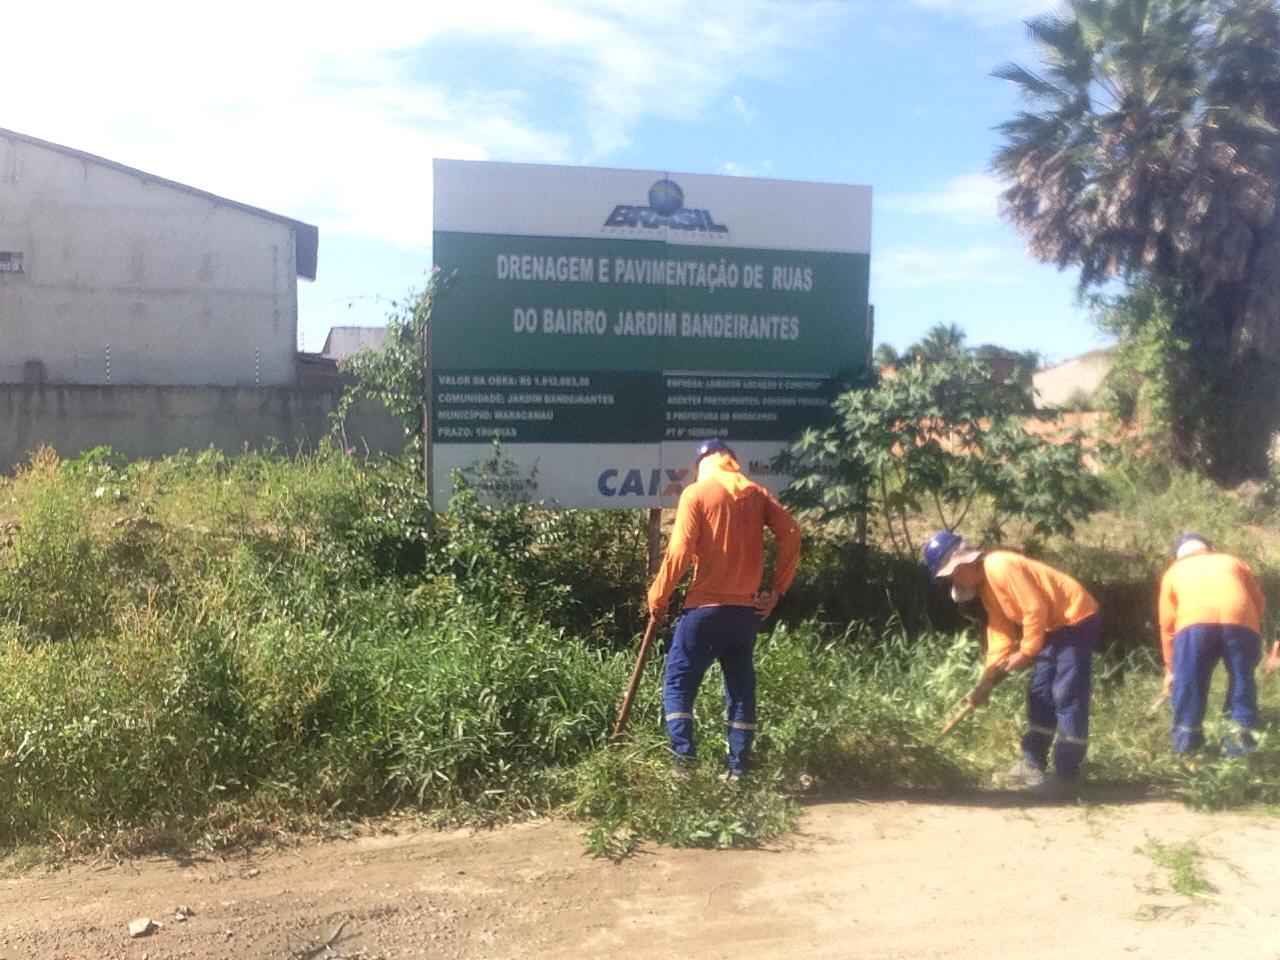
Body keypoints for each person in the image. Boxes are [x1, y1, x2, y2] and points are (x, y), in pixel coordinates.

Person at [647, 438, 802, 782]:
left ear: (703, 463)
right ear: (731, 461)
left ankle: (684, 766)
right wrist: (776, 589)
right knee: (741, 687)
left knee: (678, 682)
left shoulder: (697, 494)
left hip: (704, 611)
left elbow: (680, 550)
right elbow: (791, 533)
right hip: (746, 615)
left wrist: (658, 598)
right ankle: (738, 770)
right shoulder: (756, 493)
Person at [923, 531, 1101, 797]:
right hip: (1053, 626)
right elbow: (1000, 632)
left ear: (963, 563)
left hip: (1075, 619)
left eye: (953, 574)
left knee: (1066, 693)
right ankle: (1032, 764)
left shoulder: (998, 565)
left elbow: (1033, 609)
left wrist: (1027, 651)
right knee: (1040, 693)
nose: (954, 580)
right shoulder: (987, 588)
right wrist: (988, 679)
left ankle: (1066, 775)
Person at [1158, 532, 1266, 757]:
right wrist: (1245, 621)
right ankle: (1240, 750)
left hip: (1193, 623)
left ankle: (1187, 750)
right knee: (1242, 681)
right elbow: (1259, 601)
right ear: (1209, 548)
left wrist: (1171, 669)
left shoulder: (1174, 572)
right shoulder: (1231, 561)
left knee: (1188, 683)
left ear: (1178, 555)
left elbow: (1167, 625)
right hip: (1242, 621)